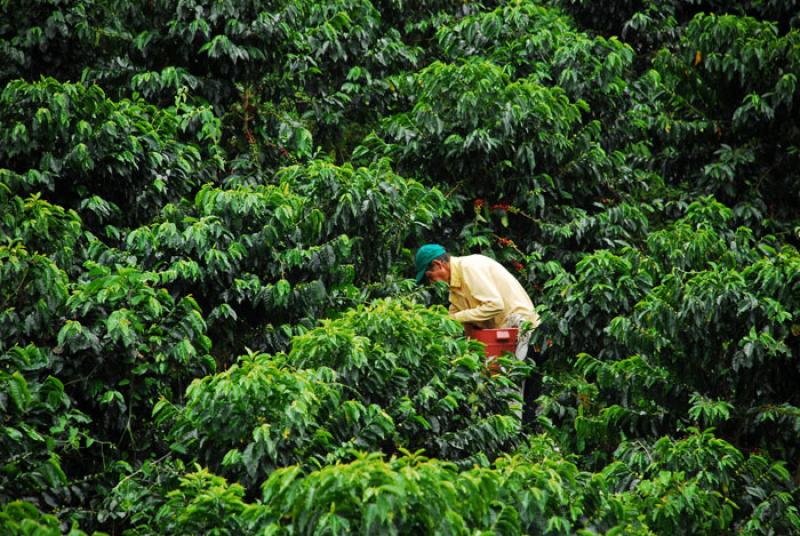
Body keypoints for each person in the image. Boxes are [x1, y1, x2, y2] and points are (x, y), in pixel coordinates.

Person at [414, 243, 540, 362]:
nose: (432, 283)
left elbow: (495, 305)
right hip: (504, 337)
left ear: (438, 264)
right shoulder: (454, 287)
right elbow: (453, 323)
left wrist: (455, 318)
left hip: (525, 333)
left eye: (430, 277)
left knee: (520, 382)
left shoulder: (470, 267)